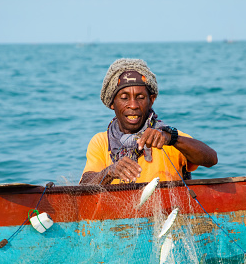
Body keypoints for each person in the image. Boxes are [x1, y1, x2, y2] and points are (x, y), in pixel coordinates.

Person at [80, 58, 217, 185]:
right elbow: (84, 186)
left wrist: (172, 139)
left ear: (151, 100)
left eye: (140, 97)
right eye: (124, 98)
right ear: (112, 103)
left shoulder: (166, 136)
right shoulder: (101, 142)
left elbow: (211, 159)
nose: (133, 105)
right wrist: (109, 172)